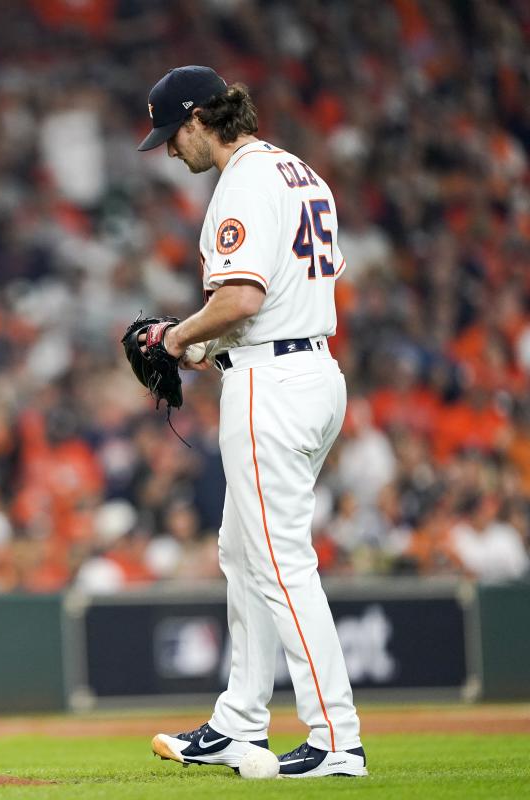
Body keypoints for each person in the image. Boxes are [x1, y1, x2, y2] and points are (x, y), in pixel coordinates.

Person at [135, 67, 366, 777]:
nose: (171, 149)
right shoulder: (299, 172)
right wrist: (207, 339)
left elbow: (241, 296)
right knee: (243, 550)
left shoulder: (241, 181)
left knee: (279, 560)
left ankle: (336, 736)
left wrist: (178, 339)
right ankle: (240, 722)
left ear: (203, 116)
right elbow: (295, 288)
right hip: (309, 369)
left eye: (174, 133)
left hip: (274, 383)